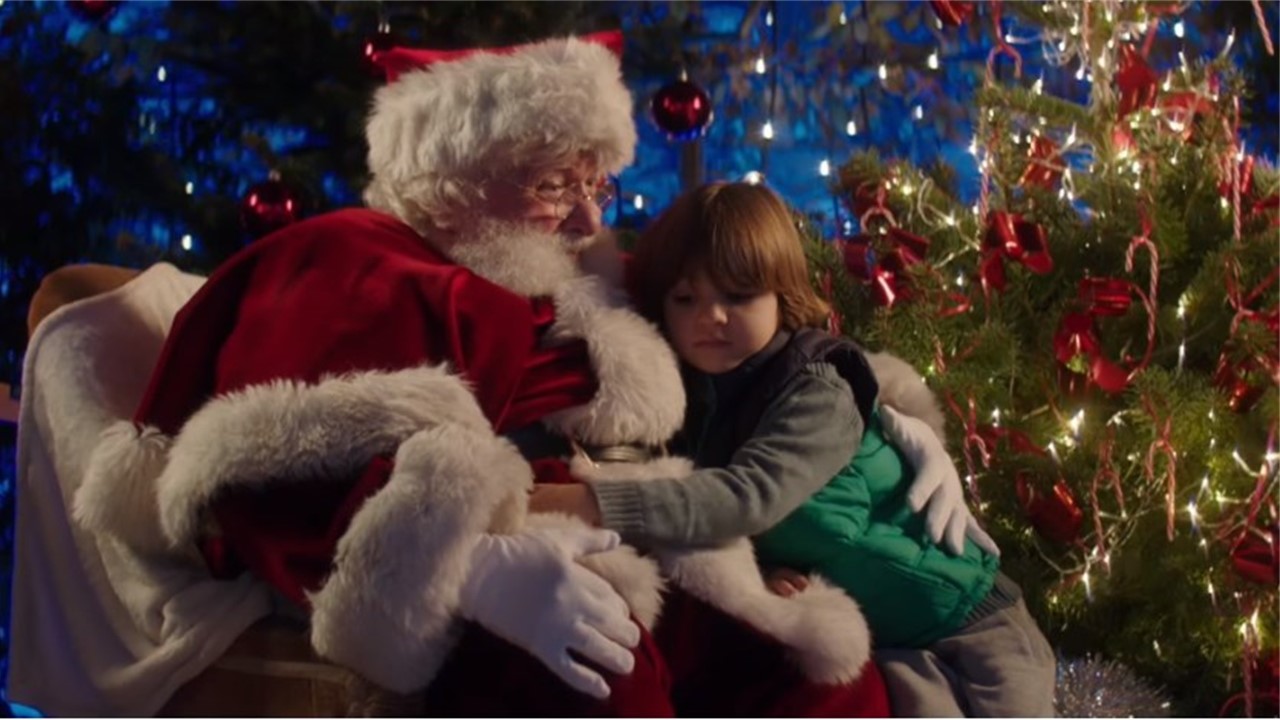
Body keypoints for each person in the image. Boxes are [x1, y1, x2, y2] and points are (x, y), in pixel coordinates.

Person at [68, 34, 915, 716]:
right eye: (554, 185)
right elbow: (257, 467)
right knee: (601, 690)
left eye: (596, 183)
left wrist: (888, 415)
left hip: (652, 546)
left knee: (821, 678)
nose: (588, 216)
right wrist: (474, 569)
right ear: (460, 176)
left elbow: (751, 343)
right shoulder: (348, 263)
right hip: (502, 582)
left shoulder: (576, 273)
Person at [533, 181, 1058, 717]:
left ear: (781, 294)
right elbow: (718, 525)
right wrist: (759, 575)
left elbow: (750, 497)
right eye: (686, 298)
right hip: (891, 648)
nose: (711, 316)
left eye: (738, 295)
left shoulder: (817, 390)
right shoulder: (689, 401)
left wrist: (591, 502)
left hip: (973, 622)